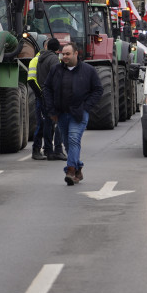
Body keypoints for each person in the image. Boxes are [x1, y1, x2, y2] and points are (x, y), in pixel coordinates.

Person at [43, 43, 103, 185]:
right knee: (68, 142)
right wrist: (51, 110)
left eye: (68, 54)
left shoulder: (88, 71)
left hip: (79, 113)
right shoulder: (55, 70)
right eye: (63, 54)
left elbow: (98, 90)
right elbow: (47, 89)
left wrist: (86, 107)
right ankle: (78, 166)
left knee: (74, 139)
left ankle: (70, 170)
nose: (65, 57)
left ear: (76, 54)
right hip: (61, 113)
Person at [29, 38, 65, 161]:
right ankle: (49, 149)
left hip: (45, 95)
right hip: (47, 96)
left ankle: (48, 149)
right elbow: (32, 80)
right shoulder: (51, 59)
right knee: (50, 123)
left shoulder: (41, 59)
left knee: (47, 123)